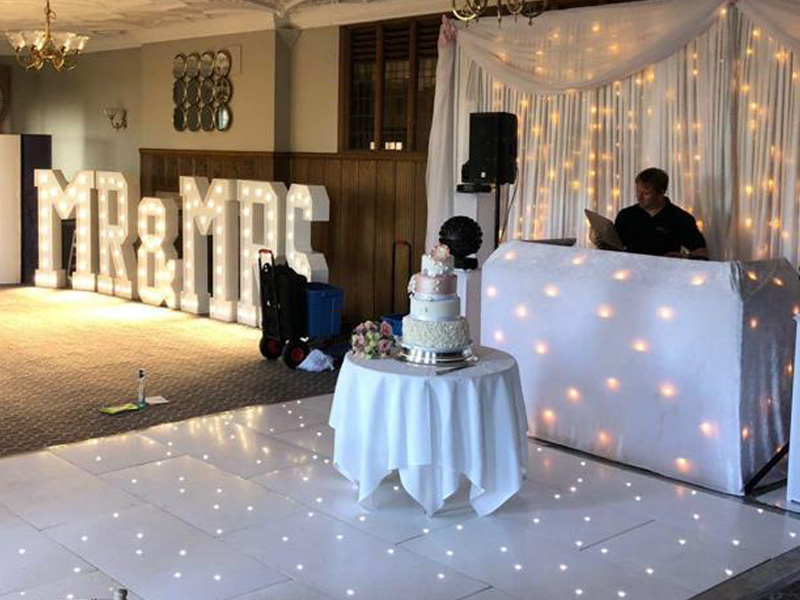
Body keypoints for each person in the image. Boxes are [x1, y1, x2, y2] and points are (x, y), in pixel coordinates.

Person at [613, 168, 709, 259]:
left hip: (666, 269)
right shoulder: (625, 215)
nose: (639, 197)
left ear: (661, 193)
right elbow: (613, 248)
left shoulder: (681, 218)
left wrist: (685, 257)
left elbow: (702, 252)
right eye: (638, 191)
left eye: (646, 193)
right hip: (630, 269)